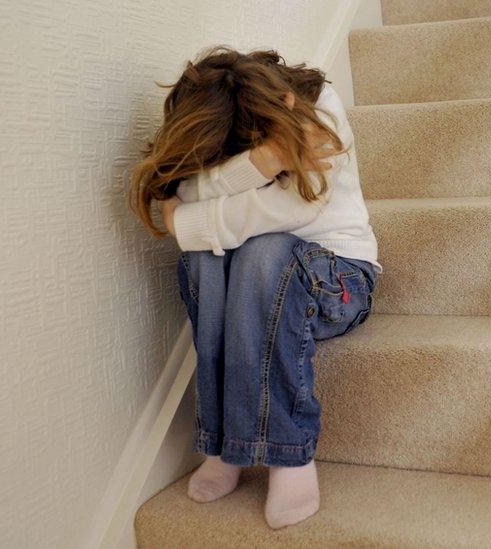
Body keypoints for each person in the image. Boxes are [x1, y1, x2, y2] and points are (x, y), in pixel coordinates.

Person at [128, 45, 380, 529]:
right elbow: (179, 188)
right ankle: (228, 446)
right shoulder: (218, 117)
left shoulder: (317, 107)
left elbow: (295, 210)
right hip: (254, 288)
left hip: (339, 281)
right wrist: (261, 163)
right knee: (208, 257)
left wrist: (190, 221)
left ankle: (289, 454)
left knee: (264, 250)